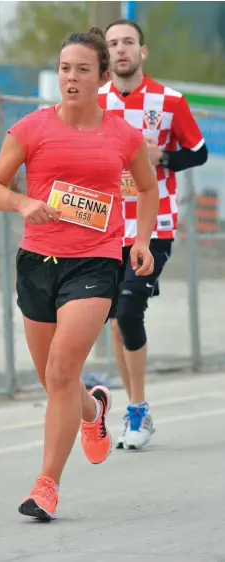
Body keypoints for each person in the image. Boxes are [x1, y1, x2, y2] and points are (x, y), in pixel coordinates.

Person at [0, 27, 159, 521]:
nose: (71, 78)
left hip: (96, 263)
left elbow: (146, 190)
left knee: (62, 371)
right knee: (52, 378)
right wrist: (23, 201)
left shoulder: (122, 136)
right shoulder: (32, 128)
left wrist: (140, 240)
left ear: (103, 76)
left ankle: (46, 486)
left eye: (82, 69)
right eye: (64, 69)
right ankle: (93, 411)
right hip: (38, 263)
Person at [98, 20, 208, 450]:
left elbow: (198, 152)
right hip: (106, 224)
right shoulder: (95, 100)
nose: (120, 50)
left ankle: (138, 411)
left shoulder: (169, 101)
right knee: (111, 318)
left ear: (142, 52)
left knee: (128, 309)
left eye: (128, 42)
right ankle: (132, 408)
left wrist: (162, 156)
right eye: (112, 44)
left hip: (154, 221)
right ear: (106, 56)